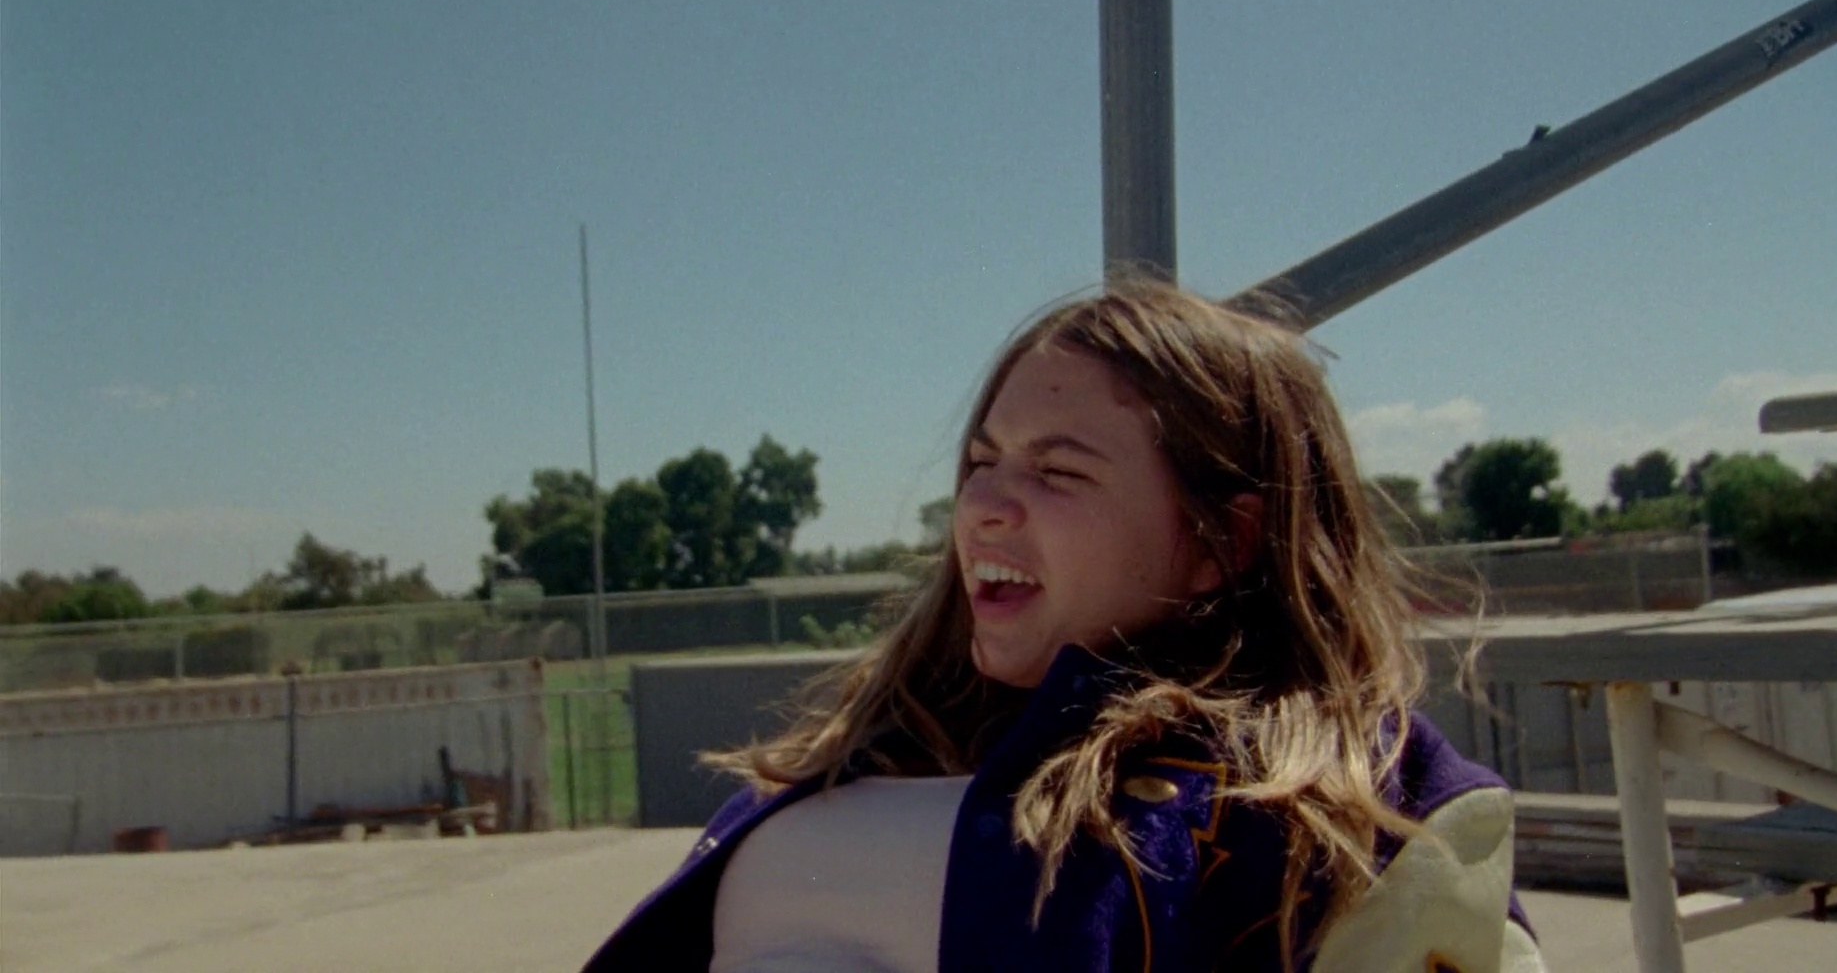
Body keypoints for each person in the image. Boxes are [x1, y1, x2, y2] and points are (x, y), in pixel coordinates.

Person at [583, 282, 1544, 972]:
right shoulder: (863, 752)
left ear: (1224, 540)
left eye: (1058, 471)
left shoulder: (1372, 811)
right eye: (982, 463)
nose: (981, 508)